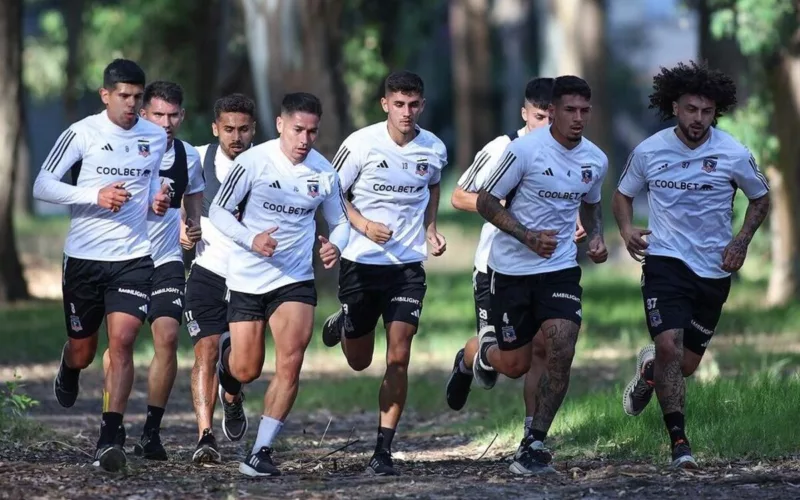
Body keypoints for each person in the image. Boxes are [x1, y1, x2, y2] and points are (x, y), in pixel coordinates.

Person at [614, 61, 770, 469]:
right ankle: (679, 443)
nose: (698, 119)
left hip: (714, 267)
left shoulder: (734, 153)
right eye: (690, 109)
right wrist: (627, 230)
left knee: (682, 364)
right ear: (674, 107)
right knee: (670, 343)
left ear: (714, 112)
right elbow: (622, 194)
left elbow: (761, 198)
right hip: (665, 261)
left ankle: (650, 370)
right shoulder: (650, 150)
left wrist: (741, 241)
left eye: (705, 111)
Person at [33, 59, 170, 472]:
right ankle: (70, 364)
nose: (131, 105)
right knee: (85, 349)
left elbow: (146, 192)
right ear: (105, 95)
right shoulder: (83, 133)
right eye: (124, 96)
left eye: (137, 97)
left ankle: (108, 438)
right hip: (84, 259)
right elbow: (42, 184)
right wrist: (95, 194)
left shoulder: (154, 136)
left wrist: (154, 202)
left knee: (124, 341)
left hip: (131, 256)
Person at [472, 75, 609, 475]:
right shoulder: (524, 151)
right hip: (512, 269)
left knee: (561, 347)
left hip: (560, 268)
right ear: (552, 111)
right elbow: (484, 200)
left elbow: (591, 204)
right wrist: (526, 235)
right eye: (570, 110)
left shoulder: (595, 159)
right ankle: (480, 352)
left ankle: (534, 441)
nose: (578, 118)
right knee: (514, 365)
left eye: (585, 110)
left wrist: (596, 237)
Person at [445, 78, 587, 454]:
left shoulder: (567, 152)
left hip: (549, 267)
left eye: (549, 116)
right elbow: (460, 196)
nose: (545, 123)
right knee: (514, 364)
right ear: (526, 114)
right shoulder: (505, 148)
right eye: (538, 116)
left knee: (547, 347)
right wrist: (518, 220)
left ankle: (532, 436)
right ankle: (471, 356)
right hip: (498, 266)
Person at [211, 92, 350, 477]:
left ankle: (261, 451)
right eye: (297, 130)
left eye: (312, 132)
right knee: (246, 368)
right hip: (247, 277)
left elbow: (340, 222)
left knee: (291, 361)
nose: (304, 140)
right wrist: (251, 239)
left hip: (294, 279)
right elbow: (219, 211)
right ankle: (229, 376)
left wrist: (335, 246)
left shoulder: (324, 172)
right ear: (279, 125)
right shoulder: (253, 162)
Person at [320, 70, 448, 476]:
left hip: (407, 267)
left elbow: (433, 186)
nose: (406, 112)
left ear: (422, 105)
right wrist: (361, 225)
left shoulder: (434, 148)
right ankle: (345, 324)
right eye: (398, 104)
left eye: (413, 105)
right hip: (360, 263)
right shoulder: (360, 144)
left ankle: (383, 449)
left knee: (399, 357)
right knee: (359, 360)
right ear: (385, 105)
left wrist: (429, 228)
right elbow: (332, 192)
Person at [99, 81, 206, 460]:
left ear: (183, 116)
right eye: (158, 114)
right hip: (124, 259)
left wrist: (191, 227)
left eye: (173, 115)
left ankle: (151, 431)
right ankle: (111, 423)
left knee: (167, 336)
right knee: (120, 343)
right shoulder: (122, 151)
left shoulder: (188, 156)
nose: (166, 122)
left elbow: (192, 198)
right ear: (143, 113)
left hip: (166, 260)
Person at [183, 93, 256, 463]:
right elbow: (172, 198)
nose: (236, 137)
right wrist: (181, 229)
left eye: (243, 129)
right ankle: (205, 437)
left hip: (250, 279)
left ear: (253, 129)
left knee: (243, 363)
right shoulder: (196, 158)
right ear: (215, 129)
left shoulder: (270, 163)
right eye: (228, 129)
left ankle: (232, 394)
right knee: (206, 352)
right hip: (207, 271)